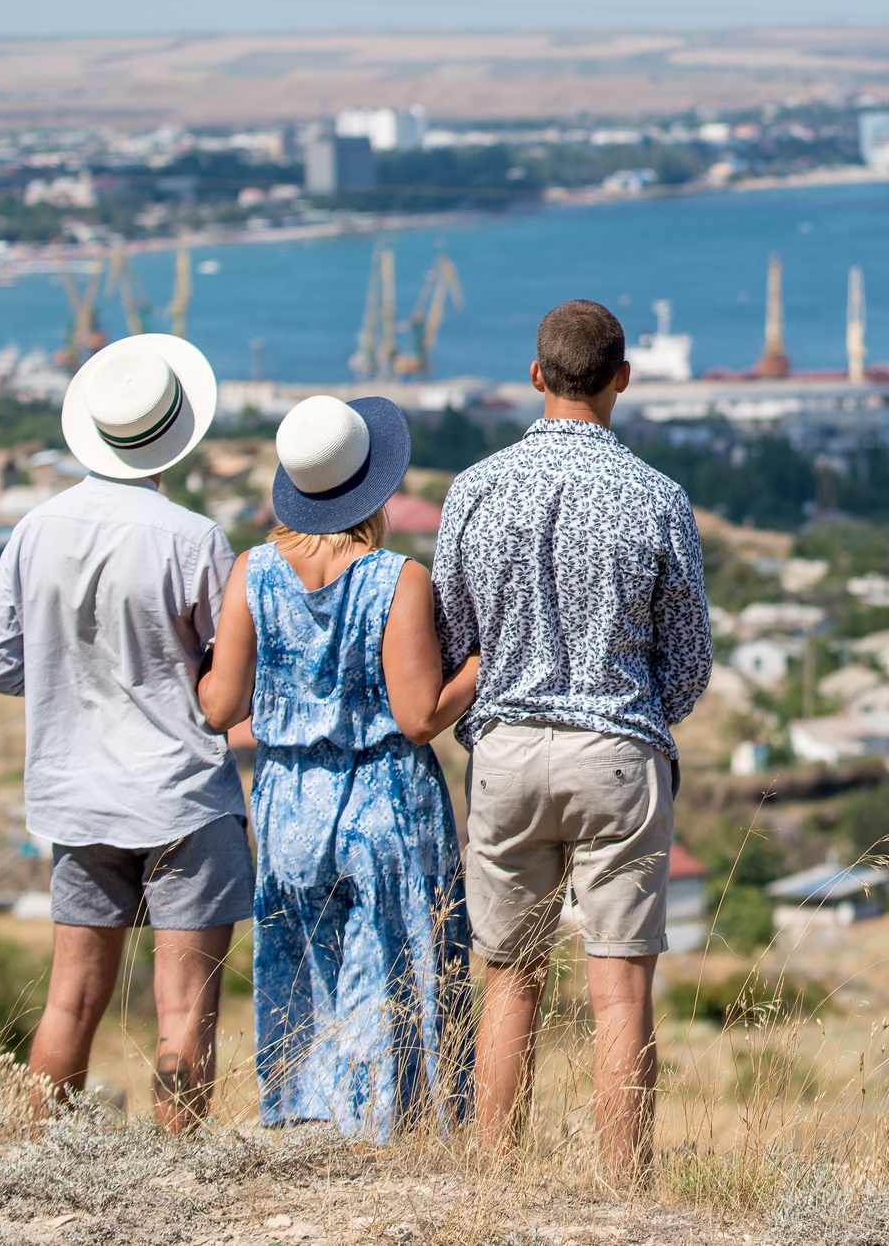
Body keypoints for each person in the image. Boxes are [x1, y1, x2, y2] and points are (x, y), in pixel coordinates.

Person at [432, 299, 712, 1182]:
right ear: (622, 377)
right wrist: (633, 716)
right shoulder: (658, 497)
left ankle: (495, 1180)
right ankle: (623, 1192)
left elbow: (452, 638)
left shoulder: (475, 490)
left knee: (508, 976)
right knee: (620, 989)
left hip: (507, 751)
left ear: (536, 376)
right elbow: (689, 662)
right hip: (618, 751)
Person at [0, 333, 248, 1129]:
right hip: (181, 797)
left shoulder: (34, 530)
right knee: (183, 1009)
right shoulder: (193, 538)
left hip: (75, 795)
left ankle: (44, 1155)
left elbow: (0, 665)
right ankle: (178, 1173)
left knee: (69, 1001)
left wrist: (70, 680)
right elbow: (226, 689)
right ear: (176, 435)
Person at [198, 393, 474, 1141]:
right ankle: (389, 1134)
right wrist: (482, 664)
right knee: (396, 981)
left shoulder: (252, 571)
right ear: (374, 487)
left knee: (302, 975)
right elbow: (419, 716)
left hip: (287, 805)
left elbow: (221, 708)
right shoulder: (397, 579)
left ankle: (307, 1122)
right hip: (385, 802)